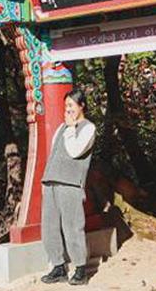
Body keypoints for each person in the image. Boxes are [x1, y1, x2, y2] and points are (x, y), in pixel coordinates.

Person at [40, 89, 96, 286]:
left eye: (72, 105)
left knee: (73, 226)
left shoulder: (88, 128)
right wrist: (45, 181)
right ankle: (58, 266)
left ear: (82, 106)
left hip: (71, 183)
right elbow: (54, 153)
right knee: (49, 227)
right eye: (66, 106)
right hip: (52, 181)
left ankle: (81, 268)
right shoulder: (62, 128)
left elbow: (74, 151)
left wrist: (72, 128)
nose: (68, 110)